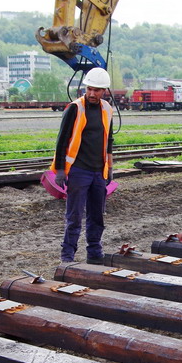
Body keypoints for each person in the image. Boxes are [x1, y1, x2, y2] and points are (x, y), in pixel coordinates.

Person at [52, 67, 114, 265]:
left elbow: (109, 140)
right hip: (79, 171)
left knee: (97, 215)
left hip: (98, 171)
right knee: (75, 216)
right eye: (89, 89)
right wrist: (60, 170)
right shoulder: (75, 108)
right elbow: (62, 140)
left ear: (104, 91)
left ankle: (94, 253)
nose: (92, 93)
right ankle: (67, 256)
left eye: (97, 90)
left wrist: (110, 168)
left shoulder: (107, 109)